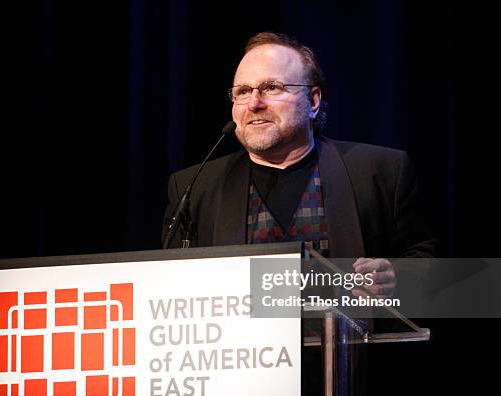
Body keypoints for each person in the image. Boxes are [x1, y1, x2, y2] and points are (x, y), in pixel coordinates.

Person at [162, 32, 435, 298]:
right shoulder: (195, 188)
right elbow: (171, 288)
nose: (254, 103)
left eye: (272, 88)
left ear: (313, 101)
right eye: (243, 91)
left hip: (347, 342)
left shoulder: (381, 172)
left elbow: (430, 265)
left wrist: (396, 277)